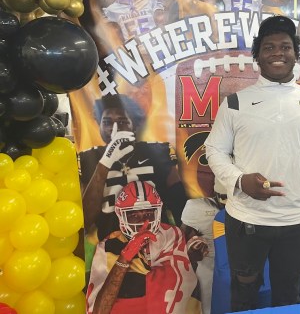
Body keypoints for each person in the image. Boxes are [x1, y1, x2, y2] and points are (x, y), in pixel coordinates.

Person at [204, 15, 300, 311]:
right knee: (243, 294)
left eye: (285, 46)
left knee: (288, 296)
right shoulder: (236, 103)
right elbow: (214, 149)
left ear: (295, 53)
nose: (278, 53)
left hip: (298, 223)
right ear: (258, 56)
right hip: (246, 221)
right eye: (269, 47)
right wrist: (241, 180)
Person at [79, 94, 188, 241]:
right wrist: (105, 162)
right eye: (107, 122)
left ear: (134, 125)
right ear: (99, 126)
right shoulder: (88, 157)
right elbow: (85, 219)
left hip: (157, 245)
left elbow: (179, 204)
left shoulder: (158, 151)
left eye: (122, 121)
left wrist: (186, 241)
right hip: (111, 249)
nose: (115, 128)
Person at [86, 181, 205, 314]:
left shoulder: (172, 235)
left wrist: (191, 254)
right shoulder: (108, 246)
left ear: (158, 212)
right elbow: (99, 311)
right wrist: (125, 257)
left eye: (149, 214)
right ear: (121, 216)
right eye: (134, 216)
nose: (144, 222)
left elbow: (184, 276)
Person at [180, 179, 227, 314]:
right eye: (225, 197)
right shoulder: (196, 207)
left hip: (239, 261)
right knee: (208, 307)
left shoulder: (248, 205)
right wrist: (191, 248)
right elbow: (182, 238)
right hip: (208, 263)